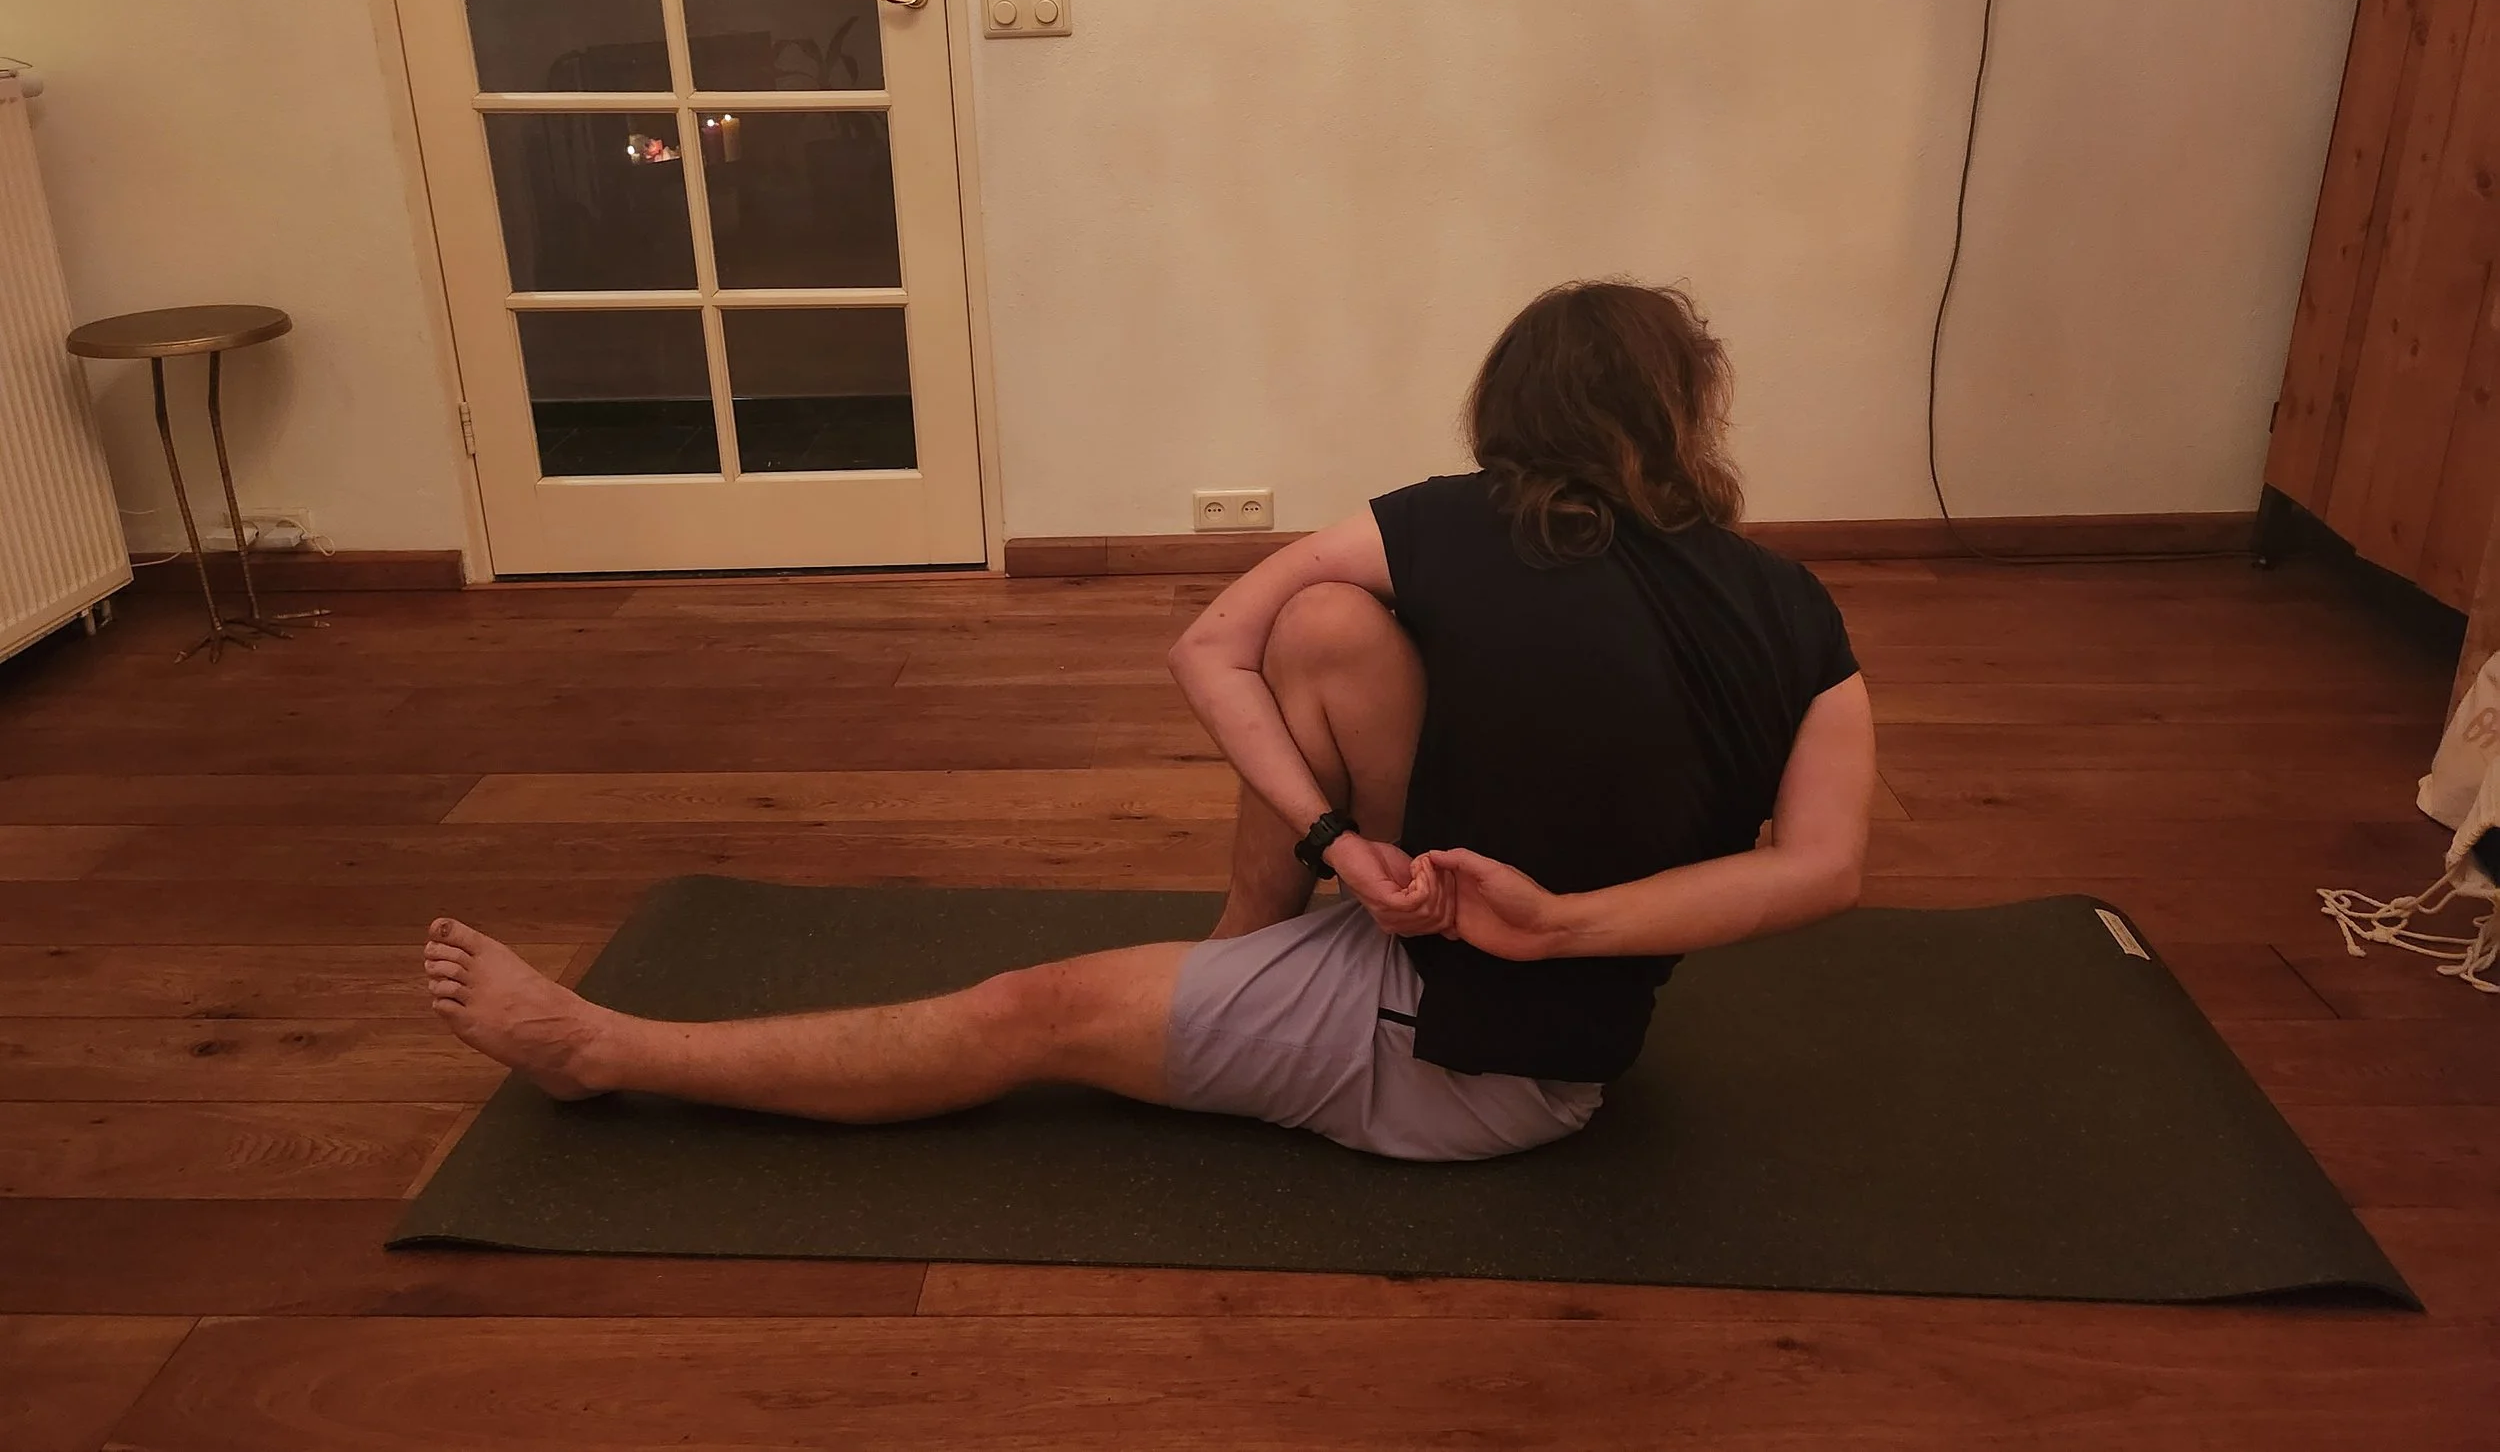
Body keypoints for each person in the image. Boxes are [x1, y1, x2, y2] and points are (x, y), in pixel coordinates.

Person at [423, 280, 1875, 1162]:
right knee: (1328, 635)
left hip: (1462, 1059)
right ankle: (1246, 953)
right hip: (1544, 1005)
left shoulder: (1453, 521)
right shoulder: (1796, 607)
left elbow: (1204, 643)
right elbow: (1822, 868)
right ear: (1687, 419)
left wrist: (1485, 904)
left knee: (1024, 1014)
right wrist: (1462, 889)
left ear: (1518, 412)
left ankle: (605, 1051)